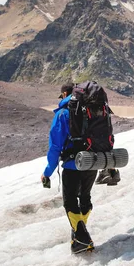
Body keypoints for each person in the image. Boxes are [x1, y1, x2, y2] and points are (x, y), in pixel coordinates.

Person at [41, 83, 97, 254]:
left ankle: (82, 239)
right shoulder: (92, 109)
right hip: (93, 162)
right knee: (85, 198)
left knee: (70, 202)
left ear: (65, 93)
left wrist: (47, 172)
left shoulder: (63, 113)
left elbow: (55, 147)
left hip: (73, 165)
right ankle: (79, 237)